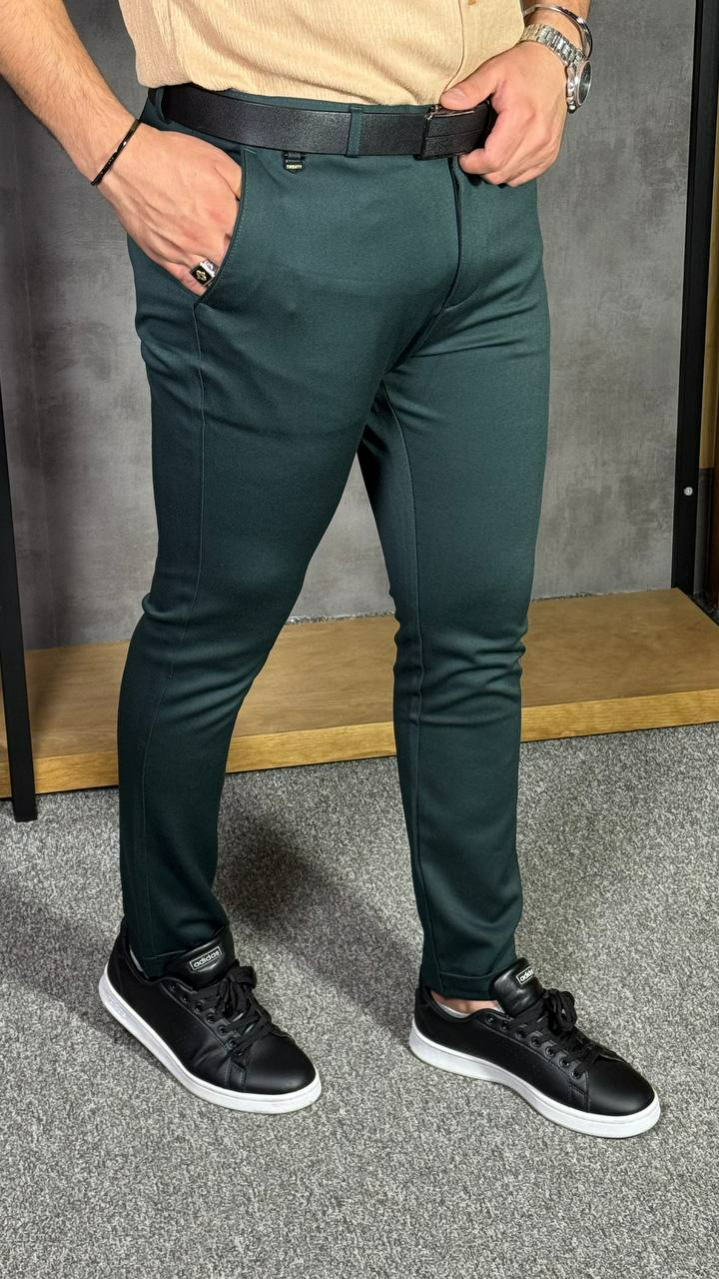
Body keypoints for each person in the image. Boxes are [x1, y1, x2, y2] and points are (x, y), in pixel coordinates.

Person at [0, 0, 660, 1136]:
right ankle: (163, 954)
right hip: (266, 196)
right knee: (215, 622)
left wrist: (556, 37)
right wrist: (116, 156)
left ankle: (469, 986)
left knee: (472, 623)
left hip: (479, 211)